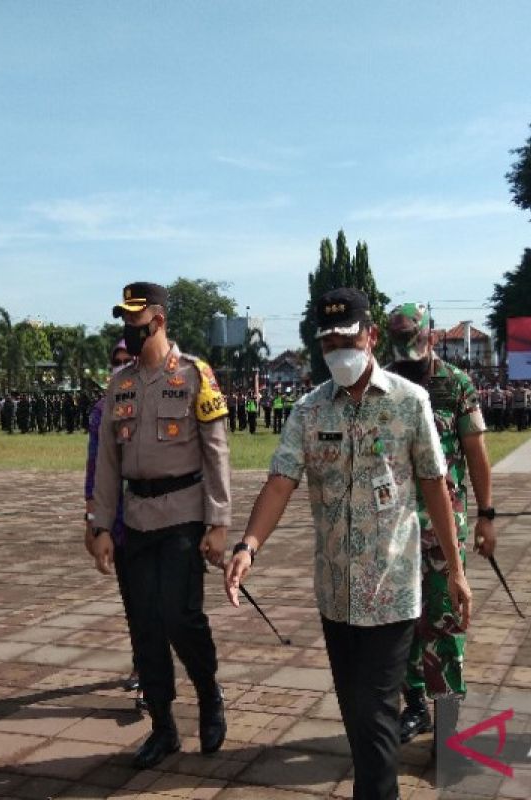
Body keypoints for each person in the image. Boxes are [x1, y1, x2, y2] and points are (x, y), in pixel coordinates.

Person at [225, 288, 472, 800]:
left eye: (347, 337)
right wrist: (248, 546)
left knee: (377, 715)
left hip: (393, 589)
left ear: (371, 336)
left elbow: (433, 484)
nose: (338, 348)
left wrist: (455, 567)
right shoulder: (309, 411)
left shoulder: (410, 403)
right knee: (356, 709)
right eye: (328, 340)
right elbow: (280, 480)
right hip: (336, 594)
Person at [91, 282, 231, 769]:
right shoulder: (119, 384)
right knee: (145, 626)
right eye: (123, 320)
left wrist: (219, 521)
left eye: (135, 319)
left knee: (179, 615)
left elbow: (216, 452)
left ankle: (210, 696)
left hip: (184, 515)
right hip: (136, 520)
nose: (128, 329)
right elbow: (108, 461)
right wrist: (100, 525)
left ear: (158, 319)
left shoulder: (195, 375)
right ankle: (164, 727)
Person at [384, 303, 495, 748]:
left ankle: (448, 723)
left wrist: (487, 516)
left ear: (430, 335)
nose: (409, 357)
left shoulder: (455, 384)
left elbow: (476, 453)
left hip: (444, 526)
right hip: (394, 527)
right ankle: (414, 707)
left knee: (445, 623)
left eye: (415, 342)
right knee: (402, 623)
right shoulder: (385, 382)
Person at [84, 339, 145, 711]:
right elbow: (95, 470)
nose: (121, 367)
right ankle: (144, 665)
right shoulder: (101, 410)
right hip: (121, 521)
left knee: (165, 605)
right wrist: (93, 523)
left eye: (128, 361)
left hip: (162, 516)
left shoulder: (161, 401)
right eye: (116, 362)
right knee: (134, 600)